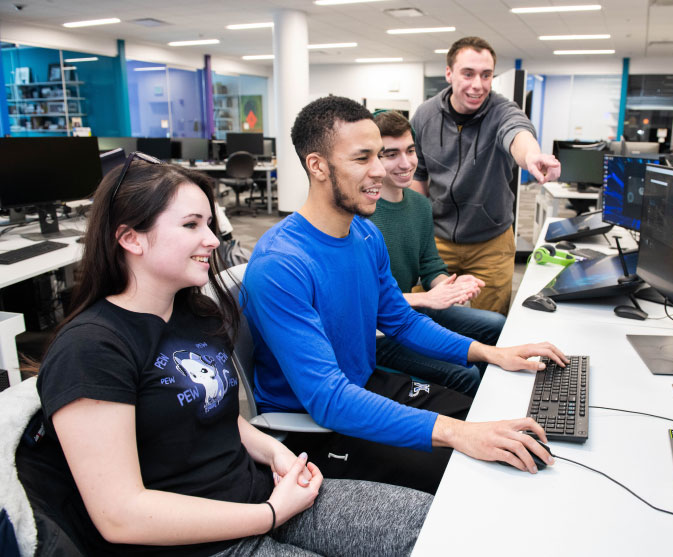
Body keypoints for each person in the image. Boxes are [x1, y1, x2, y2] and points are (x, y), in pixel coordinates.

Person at [33, 154, 431, 556]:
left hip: (260, 495)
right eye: (191, 225)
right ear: (130, 238)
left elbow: (214, 415)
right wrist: (270, 515)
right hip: (199, 543)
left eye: (208, 223)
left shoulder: (193, 313)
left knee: (433, 525)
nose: (211, 239)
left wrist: (278, 453)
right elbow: (121, 515)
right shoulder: (91, 349)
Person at [242, 95, 569, 494]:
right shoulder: (281, 265)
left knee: (496, 417)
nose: (380, 170)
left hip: (367, 387)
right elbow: (326, 397)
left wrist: (492, 353)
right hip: (319, 428)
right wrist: (457, 434)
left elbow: (402, 321)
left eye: (379, 155)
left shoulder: (364, 234)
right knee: (481, 475)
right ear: (318, 166)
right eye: (363, 158)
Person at [410, 36, 561, 316]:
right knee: (423, 315)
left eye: (486, 75)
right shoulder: (424, 116)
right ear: (449, 73)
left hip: (491, 240)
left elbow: (517, 132)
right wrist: (416, 231)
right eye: (468, 74)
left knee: (491, 322)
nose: (477, 85)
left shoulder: (502, 111)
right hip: (438, 238)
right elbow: (418, 177)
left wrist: (531, 157)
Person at [368, 109, 506, 397]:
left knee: (497, 325)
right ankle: (468, 424)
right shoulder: (362, 216)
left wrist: (450, 288)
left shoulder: (419, 205)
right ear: (374, 159)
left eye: (410, 151)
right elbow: (365, 302)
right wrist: (427, 298)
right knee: (465, 372)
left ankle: (491, 406)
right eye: (391, 154)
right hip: (378, 331)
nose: (406, 163)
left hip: (412, 309)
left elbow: (430, 265)